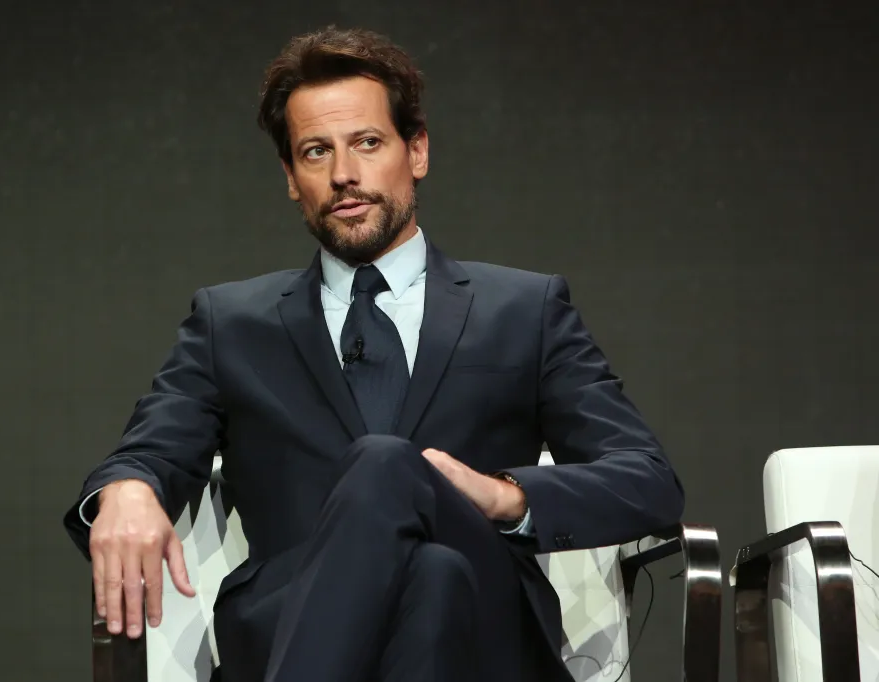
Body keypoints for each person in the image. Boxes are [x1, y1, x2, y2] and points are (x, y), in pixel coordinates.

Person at [63, 26, 685, 682]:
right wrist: (128, 488)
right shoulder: (232, 324)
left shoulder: (524, 309)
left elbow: (648, 481)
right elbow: (152, 449)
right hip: (290, 619)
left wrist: (505, 497)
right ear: (291, 178)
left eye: (366, 142)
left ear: (416, 151)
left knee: (391, 473)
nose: (343, 174)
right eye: (315, 151)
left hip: (487, 630)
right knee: (431, 573)